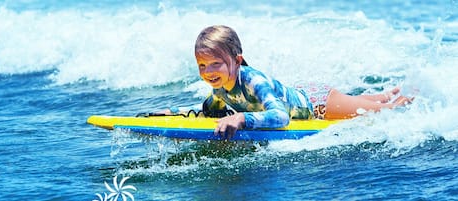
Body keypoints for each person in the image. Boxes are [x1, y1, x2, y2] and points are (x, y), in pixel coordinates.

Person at [164, 25, 412, 139]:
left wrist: (241, 118)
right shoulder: (219, 87)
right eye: (202, 65)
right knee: (370, 101)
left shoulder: (252, 80)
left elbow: (281, 117)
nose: (208, 71)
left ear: (237, 60)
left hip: (318, 104)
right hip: (304, 95)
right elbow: (207, 111)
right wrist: (171, 114)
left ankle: (410, 98)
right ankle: (388, 92)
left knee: (384, 111)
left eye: (215, 63)